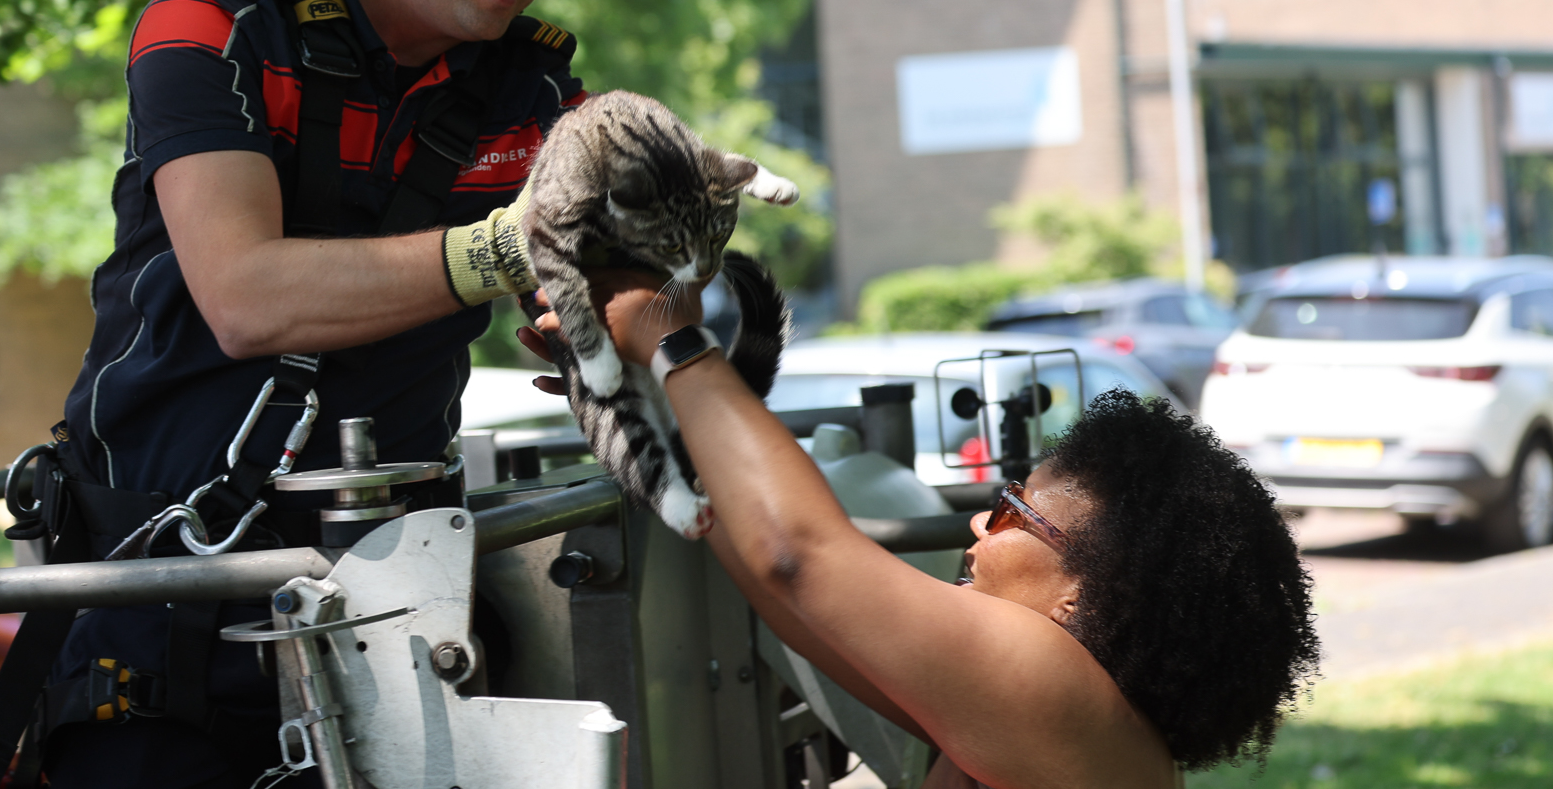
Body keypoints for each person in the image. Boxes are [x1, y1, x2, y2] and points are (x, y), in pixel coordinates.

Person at [8, 0, 604, 788]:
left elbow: (625, 262)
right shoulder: (216, 20)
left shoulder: (538, 95)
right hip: (163, 596)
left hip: (396, 605)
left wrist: (652, 291)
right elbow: (244, 296)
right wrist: (505, 247)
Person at [519, 273, 1319, 789]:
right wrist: (637, 400)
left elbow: (800, 557)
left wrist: (673, 337)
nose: (979, 517)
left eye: (1013, 514)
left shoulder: (1052, 687)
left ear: (1087, 593)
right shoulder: (1064, 729)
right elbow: (787, 597)